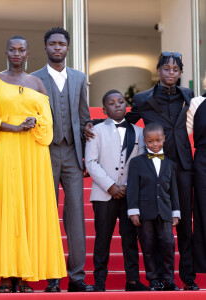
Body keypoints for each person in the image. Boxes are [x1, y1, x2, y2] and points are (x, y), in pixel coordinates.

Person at [84, 52, 199, 290]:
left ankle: (188, 277)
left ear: (180, 72)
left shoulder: (187, 95)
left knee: (185, 225)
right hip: (155, 167)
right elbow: (126, 119)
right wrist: (93, 123)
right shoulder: (143, 98)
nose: (171, 73)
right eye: (166, 69)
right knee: (155, 224)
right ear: (158, 70)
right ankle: (157, 278)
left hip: (183, 165)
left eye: (175, 69)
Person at [0, 36, 67, 293]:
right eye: (12, 49)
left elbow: (48, 121)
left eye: (21, 50)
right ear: (6, 52)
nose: (16, 53)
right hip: (6, 148)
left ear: (29, 54)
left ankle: (26, 275)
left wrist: (35, 123)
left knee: (30, 207)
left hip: (33, 152)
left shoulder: (38, 82)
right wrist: (15, 127)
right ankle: (6, 275)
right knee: (8, 206)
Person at [32, 27, 93, 293]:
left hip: (71, 154)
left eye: (62, 44)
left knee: (75, 216)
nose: (57, 48)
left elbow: (83, 116)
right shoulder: (33, 78)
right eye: (53, 44)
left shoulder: (79, 78)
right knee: (46, 215)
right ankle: (52, 276)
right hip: (44, 152)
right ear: (45, 47)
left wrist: (88, 138)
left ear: (68, 48)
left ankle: (77, 277)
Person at [85, 90, 147, 292]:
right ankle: (99, 282)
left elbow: (142, 163)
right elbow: (92, 163)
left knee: (130, 238)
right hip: (104, 194)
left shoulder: (138, 133)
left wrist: (129, 186)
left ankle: (133, 281)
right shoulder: (96, 130)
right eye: (112, 103)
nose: (117, 105)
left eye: (121, 102)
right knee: (103, 237)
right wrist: (110, 186)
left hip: (130, 194)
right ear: (104, 109)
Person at [127, 123, 180, 291]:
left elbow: (174, 190)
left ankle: (168, 279)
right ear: (144, 142)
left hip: (164, 211)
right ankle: (153, 279)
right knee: (148, 246)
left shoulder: (170, 164)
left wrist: (175, 211)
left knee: (167, 245)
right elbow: (133, 188)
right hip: (145, 212)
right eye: (150, 141)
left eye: (158, 140)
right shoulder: (136, 163)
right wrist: (133, 210)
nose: (154, 144)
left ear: (164, 139)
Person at [186, 77, 206, 273]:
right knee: (203, 211)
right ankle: (203, 263)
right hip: (203, 162)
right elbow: (184, 132)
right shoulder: (197, 102)